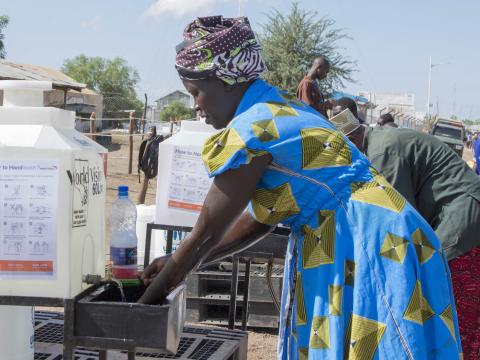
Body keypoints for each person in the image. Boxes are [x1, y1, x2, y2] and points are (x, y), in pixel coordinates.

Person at [139, 16, 461, 359]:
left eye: (197, 93)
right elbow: (258, 220)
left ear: (228, 80)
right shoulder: (279, 110)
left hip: (367, 243)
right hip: (377, 231)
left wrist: (140, 308)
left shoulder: (254, 129)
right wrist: (180, 261)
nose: (196, 106)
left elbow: (205, 234)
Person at [332, 98, 480, 359]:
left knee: (447, 301)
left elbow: (395, 225)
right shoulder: (375, 142)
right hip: (454, 216)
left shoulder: (381, 154)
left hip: (465, 220)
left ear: (352, 139)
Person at [137, 126, 164, 203]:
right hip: (146, 168)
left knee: (145, 179)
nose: (150, 133)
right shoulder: (146, 142)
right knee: (144, 179)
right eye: (150, 132)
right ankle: (140, 204)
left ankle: (140, 204)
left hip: (148, 168)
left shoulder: (151, 142)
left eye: (151, 132)